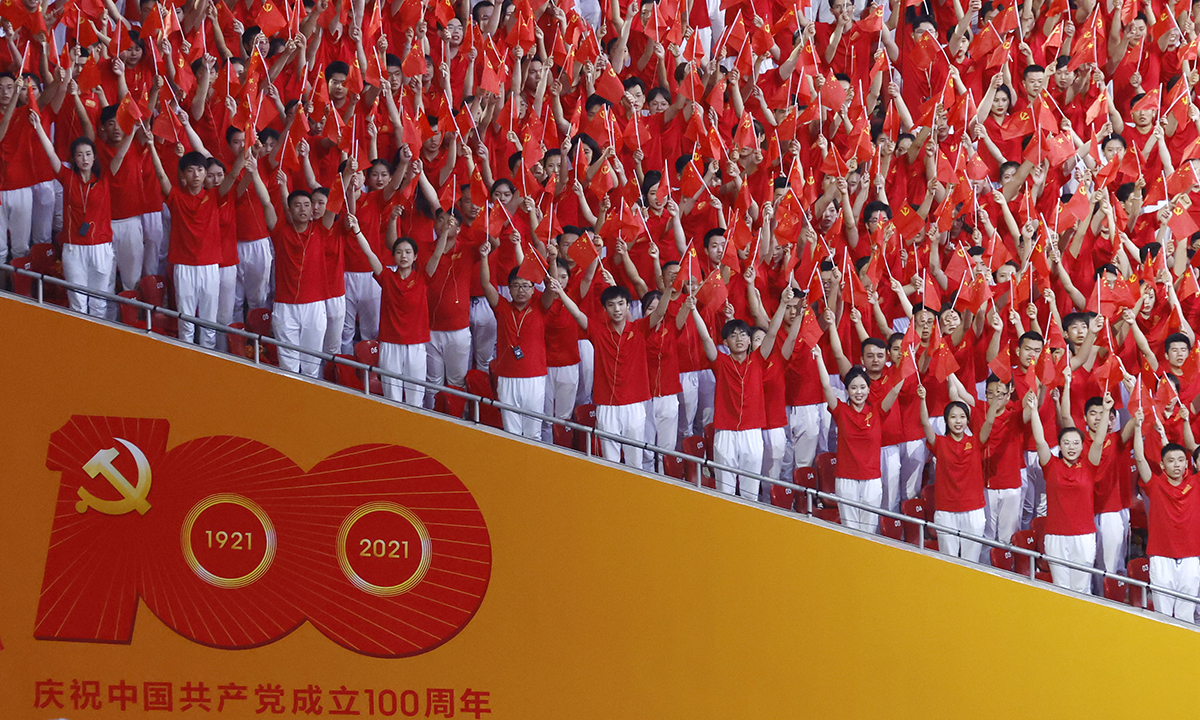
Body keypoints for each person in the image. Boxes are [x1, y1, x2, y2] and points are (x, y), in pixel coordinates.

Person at [563, 283, 671, 469]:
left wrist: (668, 289)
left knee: (634, 461)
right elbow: (577, 314)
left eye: (621, 304)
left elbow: (660, 312)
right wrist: (559, 292)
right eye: (611, 305)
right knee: (610, 461)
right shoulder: (598, 331)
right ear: (605, 308)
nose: (617, 309)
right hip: (607, 405)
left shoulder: (639, 328)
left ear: (628, 305)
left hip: (635, 404)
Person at [249, 164, 332, 377]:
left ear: (313, 209)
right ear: (289, 208)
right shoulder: (280, 232)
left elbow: (335, 205)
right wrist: (255, 172)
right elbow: (266, 202)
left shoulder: (321, 230)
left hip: (314, 306)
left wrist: (348, 175)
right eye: (297, 205)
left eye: (307, 205)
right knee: (288, 367)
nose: (303, 209)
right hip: (285, 307)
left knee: (312, 366)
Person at [814, 347, 905, 533]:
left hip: (871, 480)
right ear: (847, 390)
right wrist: (819, 358)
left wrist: (907, 361)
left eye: (863, 387)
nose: (858, 392)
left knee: (868, 531)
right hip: (846, 479)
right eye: (854, 388)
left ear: (868, 389)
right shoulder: (841, 411)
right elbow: (826, 386)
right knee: (850, 531)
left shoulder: (877, 411)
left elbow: (895, 390)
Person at [350, 208, 435, 406]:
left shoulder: (422, 278)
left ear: (415, 257)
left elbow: (437, 256)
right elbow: (369, 253)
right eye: (399, 252)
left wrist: (446, 232)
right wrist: (357, 230)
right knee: (391, 397)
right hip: (390, 343)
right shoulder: (387, 277)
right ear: (394, 256)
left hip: (416, 344)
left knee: (416, 397)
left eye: (408, 252)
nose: (403, 256)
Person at [479, 240, 551, 439]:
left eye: (526, 286)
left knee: (533, 433)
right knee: (511, 433)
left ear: (533, 288)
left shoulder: (540, 307)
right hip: (507, 376)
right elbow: (485, 284)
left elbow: (551, 289)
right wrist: (484, 257)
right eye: (516, 286)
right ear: (509, 289)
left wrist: (552, 260)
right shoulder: (502, 307)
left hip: (534, 376)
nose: (521, 290)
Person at [1028, 390, 1097, 594]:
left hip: (1084, 536)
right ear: (1059, 446)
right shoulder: (1051, 466)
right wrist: (1033, 411)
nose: (1071, 447)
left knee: (1081, 589)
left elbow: (1100, 440)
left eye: (1076, 443)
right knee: (1061, 590)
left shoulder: (1089, 466)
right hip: (1056, 536)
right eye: (1066, 443)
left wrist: (1108, 410)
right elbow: (1040, 441)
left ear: (1083, 446)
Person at [1133, 413, 1200, 623]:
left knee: (1186, 616)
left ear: (1188, 464)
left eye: (1181, 460)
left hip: (1190, 558)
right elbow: (1140, 458)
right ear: (1162, 466)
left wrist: (1184, 422)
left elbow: (1191, 448)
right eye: (1170, 461)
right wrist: (1137, 427)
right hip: (1161, 557)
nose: (1176, 464)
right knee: (1162, 616)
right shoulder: (1154, 485)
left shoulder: (1196, 484)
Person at [917, 386, 986, 562]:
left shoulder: (976, 442)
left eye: (962, 417)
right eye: (953, 417)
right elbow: (925, 423)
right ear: (946, 420)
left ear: (968, 420)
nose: (958, 421)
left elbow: (990, 424)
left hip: (974, 509)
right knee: (948, 562)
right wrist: (923, 399)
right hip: (946, 511)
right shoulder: (939, 443)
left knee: (972, 562)